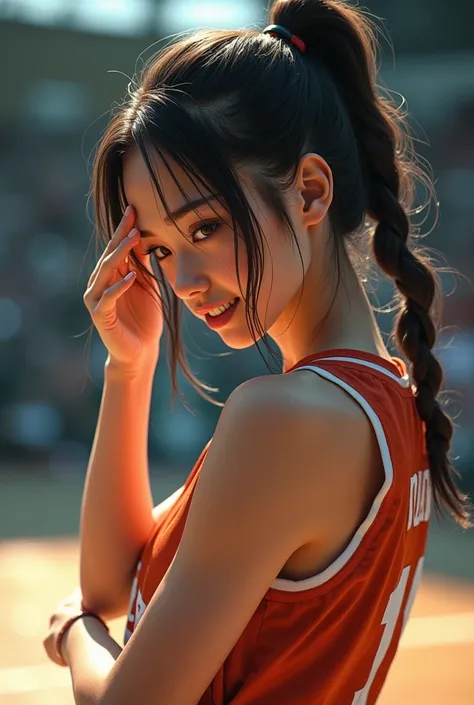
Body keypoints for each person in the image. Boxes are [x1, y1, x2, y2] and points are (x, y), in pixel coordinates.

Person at [43, 0, 470, 703]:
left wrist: (73, 636)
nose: (180, 281)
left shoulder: (285, 419)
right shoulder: (384, 398)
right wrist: (130, 366)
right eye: (158, 249)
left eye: (204, 226)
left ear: (309, 191)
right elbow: (116, 582)